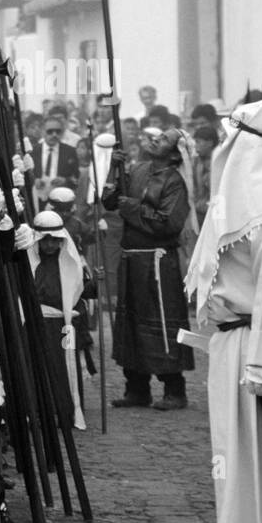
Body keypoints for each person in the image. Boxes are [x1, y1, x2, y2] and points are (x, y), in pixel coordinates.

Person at [185, 99, 262, 523]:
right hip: (232, 343)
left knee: (259, 463)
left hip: (254, 350)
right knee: (237, 464)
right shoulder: (242, 212)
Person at [102, 127, 195, 409]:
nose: (156, 139)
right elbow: (108, 201)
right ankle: (137, 389)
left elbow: (168, 223)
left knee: (162, 323)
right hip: (131, 261)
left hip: (158, 264)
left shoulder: (174, 182)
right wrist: (113, 170)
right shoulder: (138, 169)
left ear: (175, 153)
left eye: (164, 138)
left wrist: (131, 207)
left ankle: (174, 390)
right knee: (130, 324)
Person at [29, 210, 91, 430]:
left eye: (55, 241)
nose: (50, 246)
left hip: (62, 326)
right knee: (40, 370)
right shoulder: (28, 263)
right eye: (45, 241)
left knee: (63, 370)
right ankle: (40, 413)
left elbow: (81, 291)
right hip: (36, 324)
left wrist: (95, 282)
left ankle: (65, 412)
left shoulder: (70, 262)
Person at [31, 113, 79, 202]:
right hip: (37, 198)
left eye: (58, 131)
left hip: (62, 198)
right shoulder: (33, 151)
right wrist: (34, 181)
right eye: (50, 131)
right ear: (42, 131)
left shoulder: (70, 151)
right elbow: (26, 176)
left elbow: (77, 177)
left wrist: (65, 180)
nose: (54, 134)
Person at [192, 125, 218, 225]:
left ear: (210, 143)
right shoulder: (195, 162)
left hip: (215, 213)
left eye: (198, 142)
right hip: (199, 212)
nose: (195, 146)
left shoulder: (219, 162)